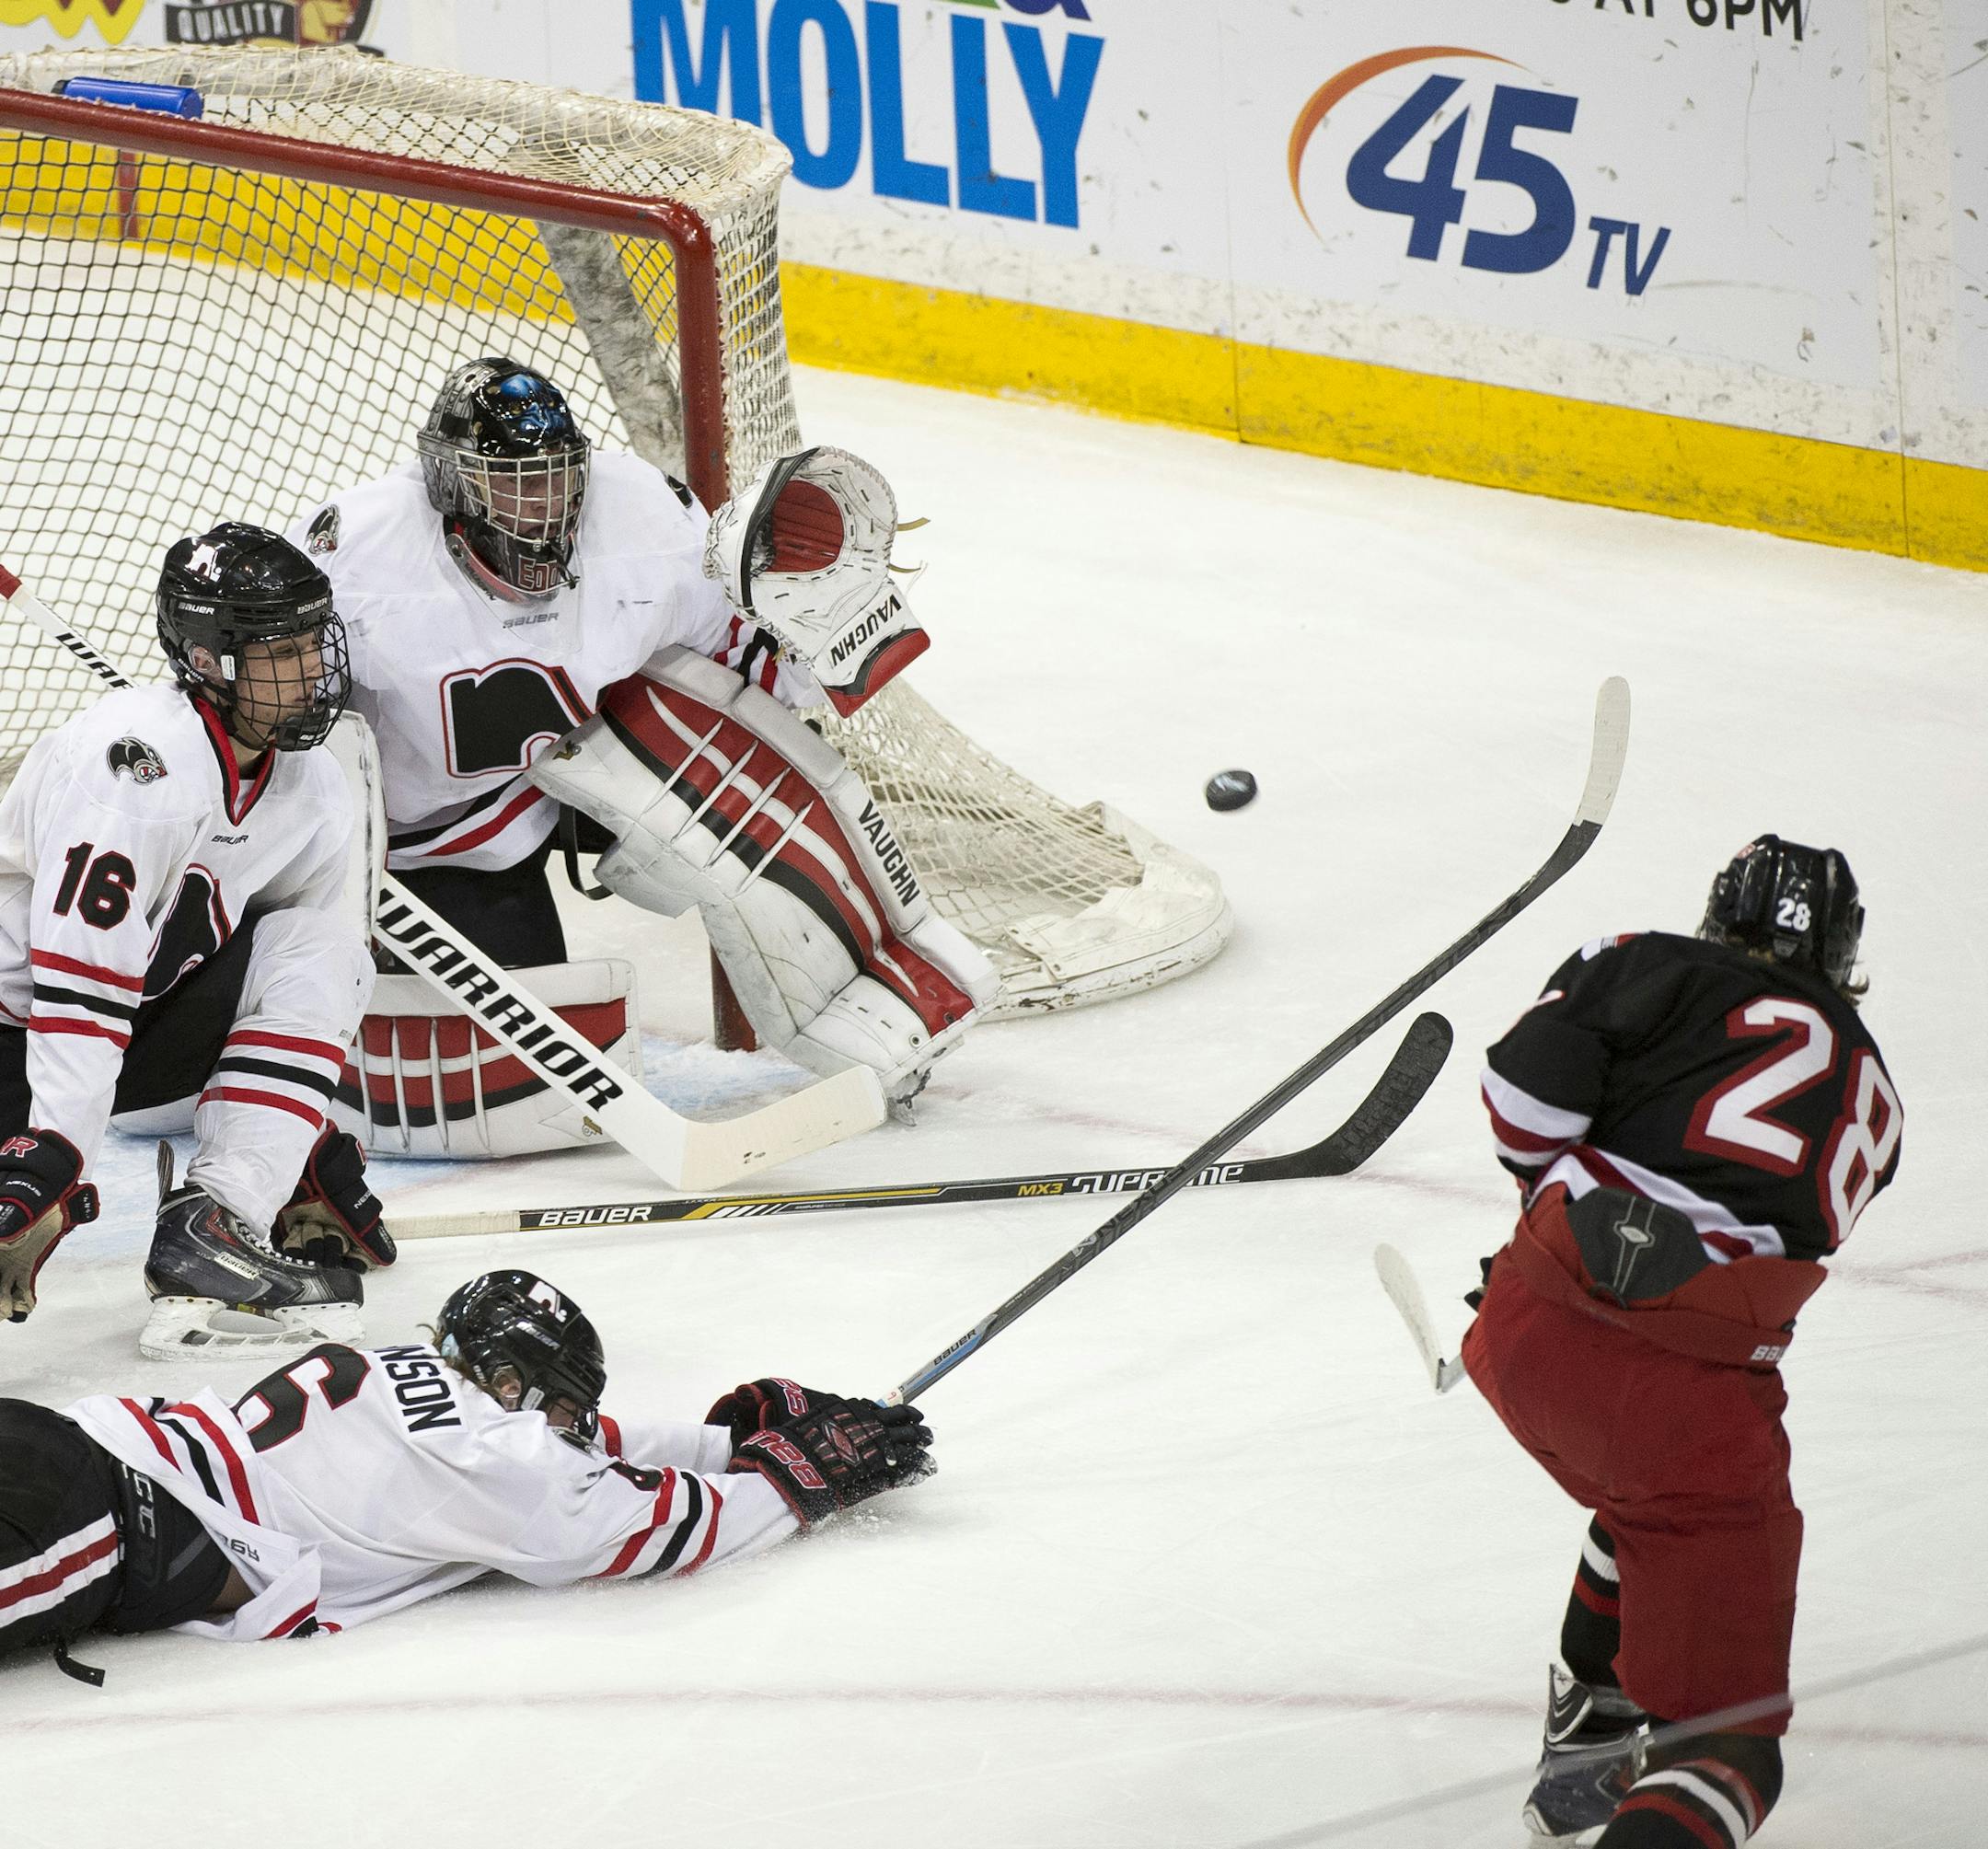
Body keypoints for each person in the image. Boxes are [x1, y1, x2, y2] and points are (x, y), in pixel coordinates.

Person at [290, 356, 993, 1160]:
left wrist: (809, 615)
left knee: (758, 784)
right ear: (451, 485)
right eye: (515, 484)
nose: (546, 507)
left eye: (557, 480)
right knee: (515, 1089)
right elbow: (294, 724)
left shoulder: (643, 517)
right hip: (446, 830)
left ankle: (867, 1004)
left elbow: (749, 680)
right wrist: (339, 882)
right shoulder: (358, 557)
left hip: (600, 758)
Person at [1462, 836, 1902, 1846]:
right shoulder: (1875, 1090)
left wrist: (1556, 1260)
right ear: (1843, 953)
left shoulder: (1637, 957)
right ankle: (1635, 1742)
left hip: (1525, 1329)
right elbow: (1776, 1231)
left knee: (1640, 1499)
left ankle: (1594, 1722)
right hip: (1683, 1396)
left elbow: (1524, 1122)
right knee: (1727, 1746)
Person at [0, 1267, 933, 1676]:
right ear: (508, 1378)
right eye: (563, 1402)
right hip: (104, 1518)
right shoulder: (501, 1455)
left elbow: (586, 1446)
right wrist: (800, 1472)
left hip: (75, 1446)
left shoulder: (411, 1379)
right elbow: (660, 1524)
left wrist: (725, 1442)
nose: (573, 1426)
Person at [0, 523, 392, 1359]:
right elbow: (78, 993)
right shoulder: (133, 772)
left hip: (126, 1034)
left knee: (326, 948)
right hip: (25, 1038)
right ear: (211, 660)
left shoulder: (314, 783)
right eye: (280, 652)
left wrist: (291, 1142)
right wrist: (58, 1152)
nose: (313, 672)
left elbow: (298, 978)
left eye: (313, 645)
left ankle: (217, 1222)